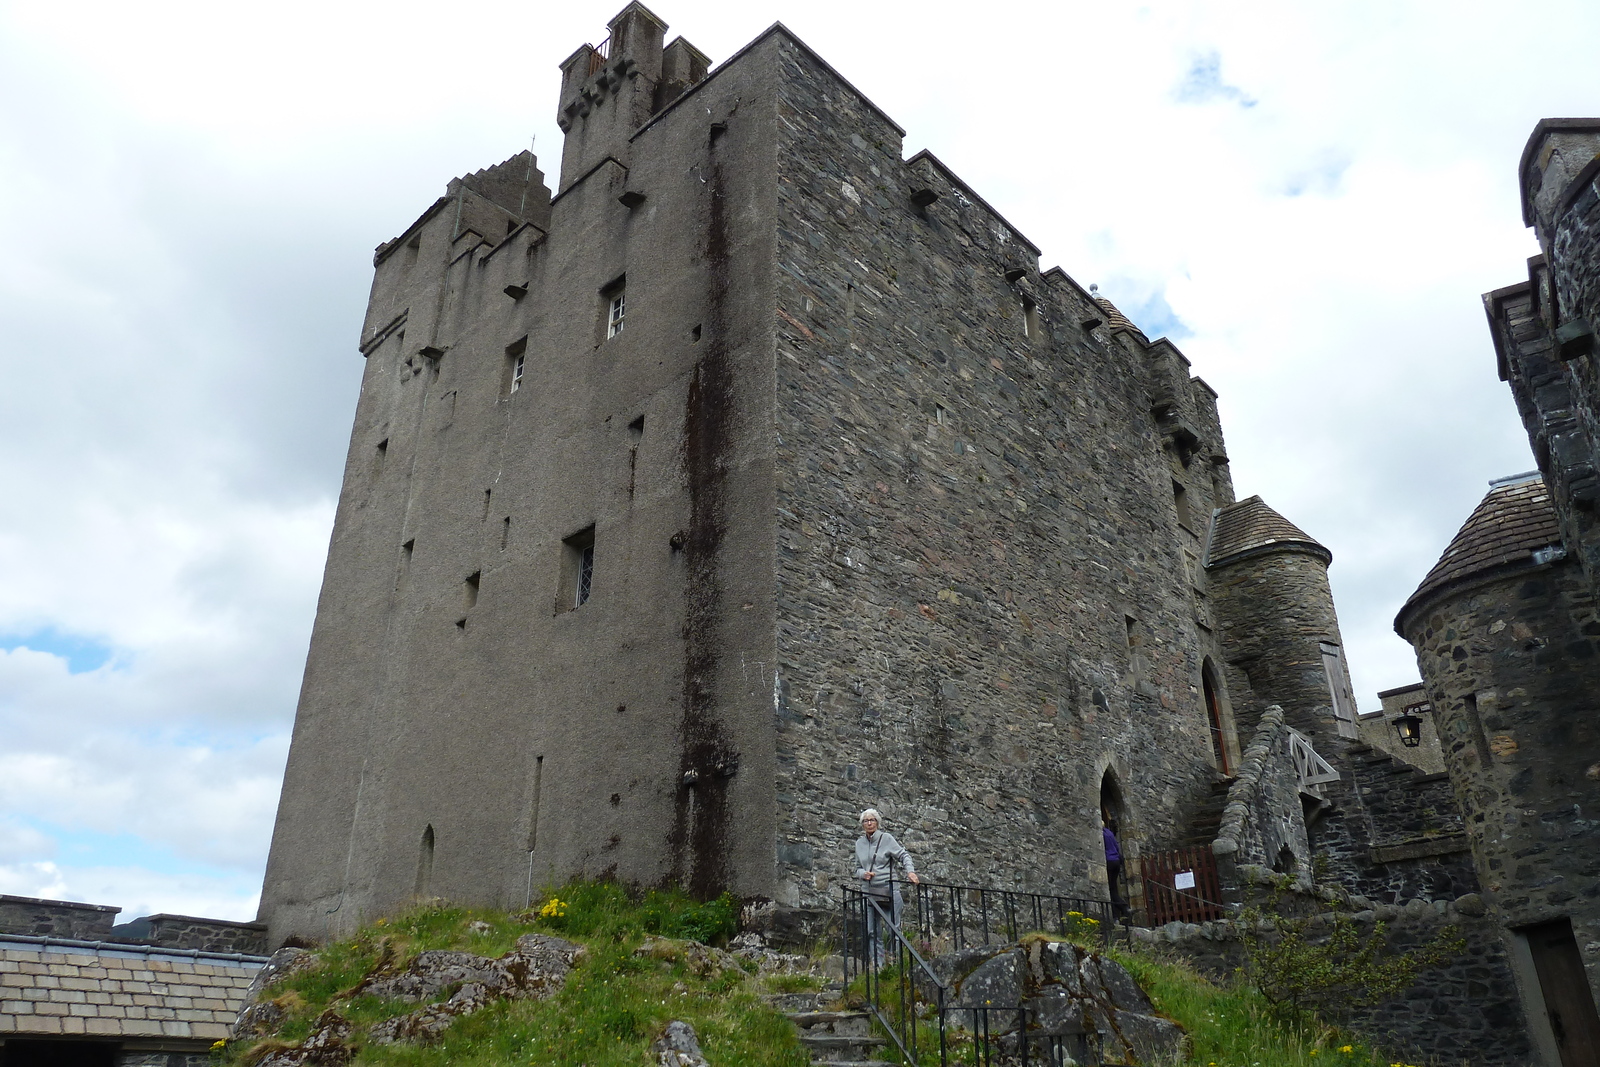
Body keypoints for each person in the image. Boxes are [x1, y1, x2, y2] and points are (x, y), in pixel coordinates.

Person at [854, 808, 919, 966]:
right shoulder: (859, 843)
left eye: (872, 820)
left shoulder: (886, 838)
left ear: (877, 822)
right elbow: (856, 867)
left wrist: (910, 872)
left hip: (889, 890)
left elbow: (904, 855)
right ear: (862, 824)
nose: (869, 823)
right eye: (866, 821)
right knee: (871, 931)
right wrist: (863, 874)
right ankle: (878, 964)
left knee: (892, 929)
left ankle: (894, 962)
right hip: (869, 891)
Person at [1103, 817, 1128, 919]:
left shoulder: (1102, 835)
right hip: (1116, 861)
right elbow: (1117, 848)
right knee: (1113, 887)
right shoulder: (1109, 833)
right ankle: (1118, 913)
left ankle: (1123, 908)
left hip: (1109, 861)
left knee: (1110, 890)